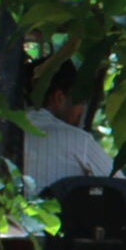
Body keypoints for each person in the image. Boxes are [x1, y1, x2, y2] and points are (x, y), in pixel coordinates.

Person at [20, 58, 114, 194]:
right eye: (80, 102)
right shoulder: (79, 141)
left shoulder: (2, 137)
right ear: (59, 98)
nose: (81, 111)